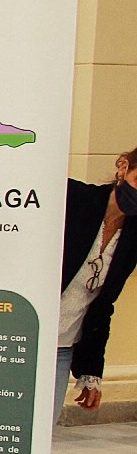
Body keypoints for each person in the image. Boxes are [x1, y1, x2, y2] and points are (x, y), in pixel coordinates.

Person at [56, 146, 137, 426]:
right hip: (22, 337)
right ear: (123, 167)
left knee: (42, 434)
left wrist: (91, 373)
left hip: (63, 345)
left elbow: (103, 305)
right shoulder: (75, 199)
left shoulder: (133, 237)